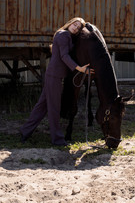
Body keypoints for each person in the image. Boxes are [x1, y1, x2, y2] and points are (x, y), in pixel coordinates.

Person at [20, 17, 93, 146]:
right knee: (54, 107)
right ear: (70, 23)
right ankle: (57, 139)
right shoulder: (64, 35)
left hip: (54, 74)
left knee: (42, 106)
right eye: (75, 24)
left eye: (78, 28)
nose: (75, 28)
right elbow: (64, 56)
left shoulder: (64, 35)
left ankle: (25, 131)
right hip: (54, 76)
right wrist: (79, 69)